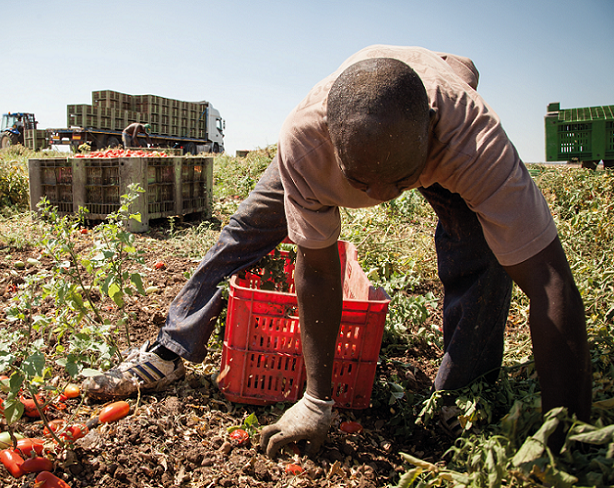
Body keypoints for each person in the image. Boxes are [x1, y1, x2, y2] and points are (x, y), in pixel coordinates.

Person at [84, 45, 591, 459]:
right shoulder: (306, 140)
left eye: (399, 181)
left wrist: (564, 435)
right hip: (359, 129)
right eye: (359, 181)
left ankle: (461, 396)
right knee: (246, 231)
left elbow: (551, 285)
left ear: (431, 132)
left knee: (480, 258)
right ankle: (173, 346)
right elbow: (320, 272)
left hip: (435, 132)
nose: (380, 195)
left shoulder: (472, 141)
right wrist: (316, 400)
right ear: (332, 141)